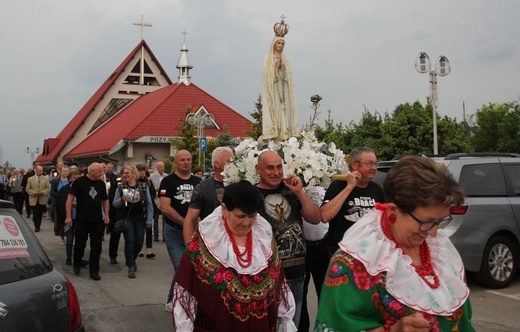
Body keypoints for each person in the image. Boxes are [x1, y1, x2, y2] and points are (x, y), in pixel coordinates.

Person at [315, 156, 474, 331]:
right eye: (426, 222)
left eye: (441, 221)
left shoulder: (440, 250)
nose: (433, 232)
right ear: (392, 211)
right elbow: (331, 328)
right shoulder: (353, 263)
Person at [172, 180, 297, 331]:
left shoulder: (263, 236)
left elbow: (280, 282)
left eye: (252, 216)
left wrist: (285, 323)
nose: (246, 222)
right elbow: (186, 290)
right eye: (240, 216)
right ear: (224, 209)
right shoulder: (206, 239)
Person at [255, 150, 321, 327]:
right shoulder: (252, 195)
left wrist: (300, 192)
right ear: (258, 169)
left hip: (296, 274)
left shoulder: (292, 192)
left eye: (279, 167)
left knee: (292, 325)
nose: (276, 172)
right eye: (270, 168)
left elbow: (315, 218)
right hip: (267, 278)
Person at [321, 147, 386, 256]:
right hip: (341, 252)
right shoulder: (338, 186)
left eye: (375, 164)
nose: (374, 168)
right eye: (370, 164)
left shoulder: (378, 190)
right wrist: (349, 187)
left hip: (368, 253)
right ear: (355, 165)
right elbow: (324, 216)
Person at [160, 150, 201, 311]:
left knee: (190, 267)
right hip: (174, 232)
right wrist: (186, 223)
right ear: (175, 163)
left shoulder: (198, 182)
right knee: (181, 266)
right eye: (182, 160)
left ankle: (180, 299)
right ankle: (173, 300)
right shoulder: (168, 182)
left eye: (188, 159)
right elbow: (165, 207)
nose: (186, 162)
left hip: (195, 233)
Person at [65, 162, 110, 281]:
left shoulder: (101, 184)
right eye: (99, 172)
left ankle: (94, 270)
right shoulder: (79, 182)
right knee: (80, 244)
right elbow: (69, 200)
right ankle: (77, 263)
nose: (101, 174)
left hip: (97, 220)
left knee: (96, 246)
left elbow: (105, 200)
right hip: (82, 220)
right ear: (92, 172)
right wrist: (68, 216)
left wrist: (107, 215)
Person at [183, 146, 234, 244]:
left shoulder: (240, 185)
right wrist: (189, 249)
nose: (233, 165)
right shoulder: (202, 188)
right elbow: (190, 220)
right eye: (229, 161)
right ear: (217, 164)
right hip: (211, 243)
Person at [261, 17, 299, 141]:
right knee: (276, 111)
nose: (280, 45)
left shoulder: (285, 58)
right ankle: (275, 133)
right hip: (274, 90)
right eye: (278, 43)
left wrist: (283, 69)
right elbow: (267, 73)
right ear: (274, 43)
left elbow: (289, 75)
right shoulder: (268, 57)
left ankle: (285, 133)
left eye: (282, 43)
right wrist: (275, 69)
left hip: (282, 89)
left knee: (284, 110)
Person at [113, 165, 153, 278]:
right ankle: (130, 266)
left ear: (133, 174)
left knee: (139, 242)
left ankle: (132, 259)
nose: (125, 175)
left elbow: (149, 203)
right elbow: (114, 204)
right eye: (124, 173)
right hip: (127, 218)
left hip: (140, 218)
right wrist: (121, 200)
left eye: (127, 173)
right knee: (130, 240)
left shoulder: (143, 186)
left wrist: (149, 220)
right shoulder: (121, 187)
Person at [298, 186, 329, 332]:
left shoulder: (326, 185)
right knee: (301, 297)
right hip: (303, 248)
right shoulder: (296, 187)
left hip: (323, 246)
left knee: (326, 295)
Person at [56, 168, 81, 265]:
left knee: (79, 239)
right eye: (74, 177)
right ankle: (69, 257)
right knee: (69, 239)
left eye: (78, 177)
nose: (76, 179)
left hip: (80, 218)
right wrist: (64, 218)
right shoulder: (65, 189)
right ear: (70, 179)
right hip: (68, 217)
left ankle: (79, 257)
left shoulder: (83, 188)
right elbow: (61, 203)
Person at [136, 164, 157, 259]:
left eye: (143, 170)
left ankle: (149, 250)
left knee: (149, 229)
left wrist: (148, 198)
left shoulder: (149, 182)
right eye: (140, 170)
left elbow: (153, 193)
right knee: (139, 231)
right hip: (138, 208)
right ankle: (139, 249)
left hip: (148, 207)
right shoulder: (134, 182)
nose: (142, 172)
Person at [25, 166, 51, 232]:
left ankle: (38, 224)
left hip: (42, 199)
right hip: (33, 199)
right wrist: (34, 193)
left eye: (42, 170)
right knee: (35, 213)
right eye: (40, 171)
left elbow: (48, 188)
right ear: (36, 171)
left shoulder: (45, 179)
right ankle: (37, 227)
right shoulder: (30, 179)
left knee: (40, 213)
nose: (41, 172)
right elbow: (27, 189)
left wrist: (43, 192)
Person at [51, 166, 70, 245]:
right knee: (60, 221)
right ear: (61, 172)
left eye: (66, 171)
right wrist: (61, 195)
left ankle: (70, 237)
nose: (65, 173)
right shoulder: (56, 181)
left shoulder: (70, 181)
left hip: (69, 203)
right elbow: (52, 192)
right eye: (64, 171)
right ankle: (62, 238)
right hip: (59, 204)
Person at [150, 161, 167, 242]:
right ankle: (156, 235)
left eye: (163, 166)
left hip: (164, 198)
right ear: (157, 168)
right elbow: (152, 187)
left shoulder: (167, 176)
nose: (162, 168)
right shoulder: (152, 176)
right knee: (155, 217)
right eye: (160, 166)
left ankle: (164, 236)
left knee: (165, 218)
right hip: (156, 198)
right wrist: (157, 188)